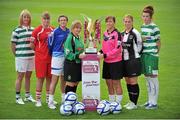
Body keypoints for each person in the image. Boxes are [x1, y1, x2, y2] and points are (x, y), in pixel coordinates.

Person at [30, 11, 56, 107]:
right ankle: (38, 100)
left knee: (49, 78)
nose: (46, 21)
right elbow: (31, 45)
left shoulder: (53, 29)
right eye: (44, 19)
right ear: (41, 19)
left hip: (51, 58)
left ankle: (49, 99)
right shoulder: (37, 31)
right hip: (40, 59)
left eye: (48, 19)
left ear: (49, 20)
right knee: (40, 78)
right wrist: (39, 52)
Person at [11, 9, 36, 105]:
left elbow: (34, 43)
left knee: (28, 77)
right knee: (20, 76)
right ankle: (18, 97)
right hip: (21, 57)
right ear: (21, 18)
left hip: (31, 56)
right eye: (24, 17)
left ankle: (27, 96)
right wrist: (17, 55)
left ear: (30, 18)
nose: (26, 18)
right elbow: (13, 45)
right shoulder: (17, 30)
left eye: (28, 17)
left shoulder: (33, 30)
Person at [98, 16, 123, 104]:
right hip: (106, 62)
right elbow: (104, 47)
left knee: (116, 83)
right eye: (107, 22)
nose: (109, 23)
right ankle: (112, 102)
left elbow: (118, 49)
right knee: (108, 83)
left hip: (116, 62)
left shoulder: (118, 34)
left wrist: (105, 55)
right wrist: (99, 52)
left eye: (110, 21)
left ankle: (118, 104)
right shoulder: (105, 33)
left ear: (114, 23)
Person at [47, 15, 70, 109]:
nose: (63, 22)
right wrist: (55, 53)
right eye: (61, 20)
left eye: (64, 20)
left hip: (66, 57)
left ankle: (63, 99)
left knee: (63, 79)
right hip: (57, 57)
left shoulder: (69, 31)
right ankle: (50, 101)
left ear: (67, 21)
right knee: (54, 79)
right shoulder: (55, 32)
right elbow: (50, 45)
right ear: (59, 22)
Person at [141, 5, 161, 109]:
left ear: (151, 17)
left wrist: (155, 54)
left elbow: (158, 42)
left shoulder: (155, 27)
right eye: (143, 16)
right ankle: (149, 100)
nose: (145, 18)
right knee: (147, 79)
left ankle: (154, 103)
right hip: (144, 56)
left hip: (152, 56)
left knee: (153, 78)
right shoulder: (142, 26)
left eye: (147, 16)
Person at [121, 15, 142, 110]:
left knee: (133, 81)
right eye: (125, 21)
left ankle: (134, 103)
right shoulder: (122, 34)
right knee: (128, 81)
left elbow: (140, 47)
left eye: (129, 21)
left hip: (133, 61)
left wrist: (134, 56)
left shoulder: (135, 33)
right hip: (124, 61)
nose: (127, 23)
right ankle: (130, 101)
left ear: (132, 22)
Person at [64, 20, 85, 94]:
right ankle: (67, 102)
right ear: (72, 28)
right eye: (76, 28)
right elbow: (67, 53)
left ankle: (72, 100)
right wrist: (77, 55)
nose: (78, 29)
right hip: (71, 64)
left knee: (76, 83)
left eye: (79, 28)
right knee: (70, 83)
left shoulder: (79, 37)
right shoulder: (70, 38)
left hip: (78, 63)